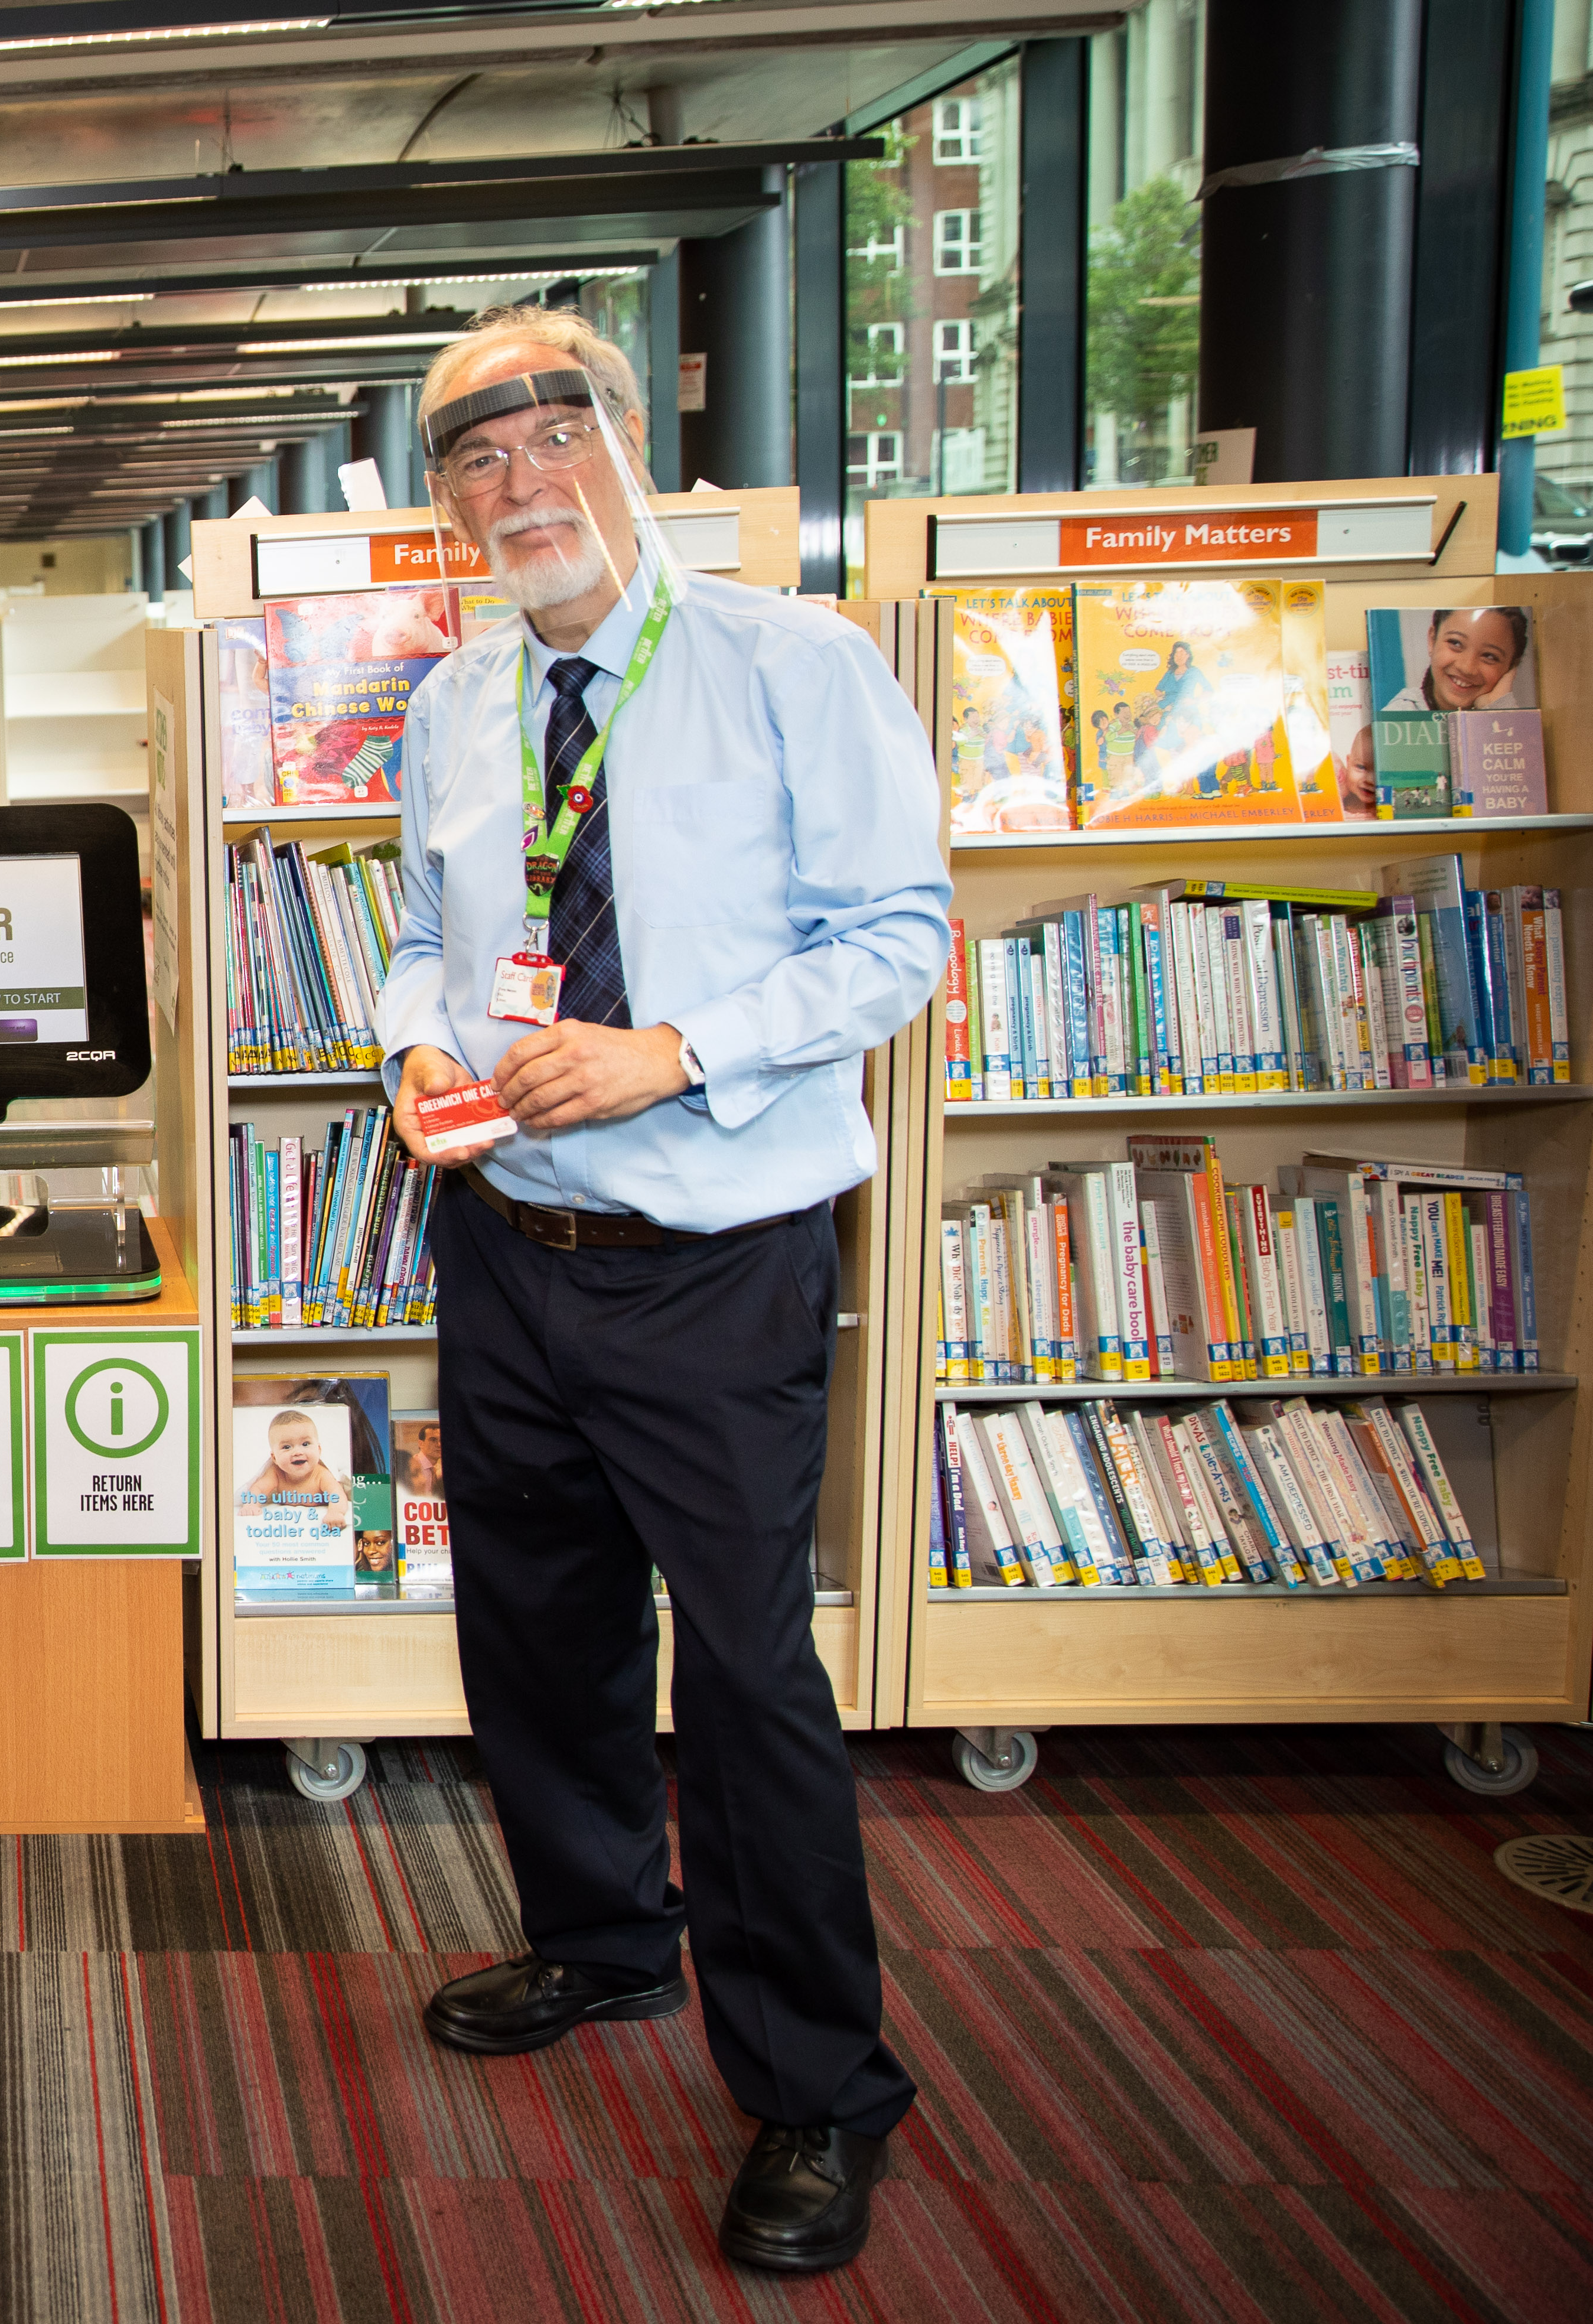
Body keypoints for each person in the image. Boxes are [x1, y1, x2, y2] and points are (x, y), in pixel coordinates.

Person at [375, 308, 950, 2276]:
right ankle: (603, 1940)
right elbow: (418, 944)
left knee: (750, 1674)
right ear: (440, 495)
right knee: (534, 1635)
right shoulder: (455, 701)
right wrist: (404, 1050)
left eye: (552, 430)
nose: (519, 478)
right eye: (475, 450)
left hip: (712, 1254)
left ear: (632, 439)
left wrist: (678, 1045)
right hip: (505, 1242)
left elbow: (901, 937)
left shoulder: (797, 664)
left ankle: (817, 2090)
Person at [1343, 603, 1532, 812]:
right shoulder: (1401, 715)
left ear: (1511, 667)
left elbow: (1518, 797)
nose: (1466, 667)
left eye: (1490, 656)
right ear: (1432, 639)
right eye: (1456, 643)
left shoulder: (1505, 710)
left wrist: (1497, 706)